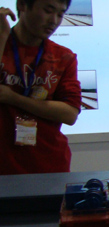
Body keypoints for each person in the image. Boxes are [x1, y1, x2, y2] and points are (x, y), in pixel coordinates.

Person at [0, 0, 80, 174]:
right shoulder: (2, 44)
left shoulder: (63, 57)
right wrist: (2, 39)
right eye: (48, 11)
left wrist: (13, 98)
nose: (54, 21)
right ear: (22, 5)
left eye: (60, 14)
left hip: (48, 166)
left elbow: (70, 114)